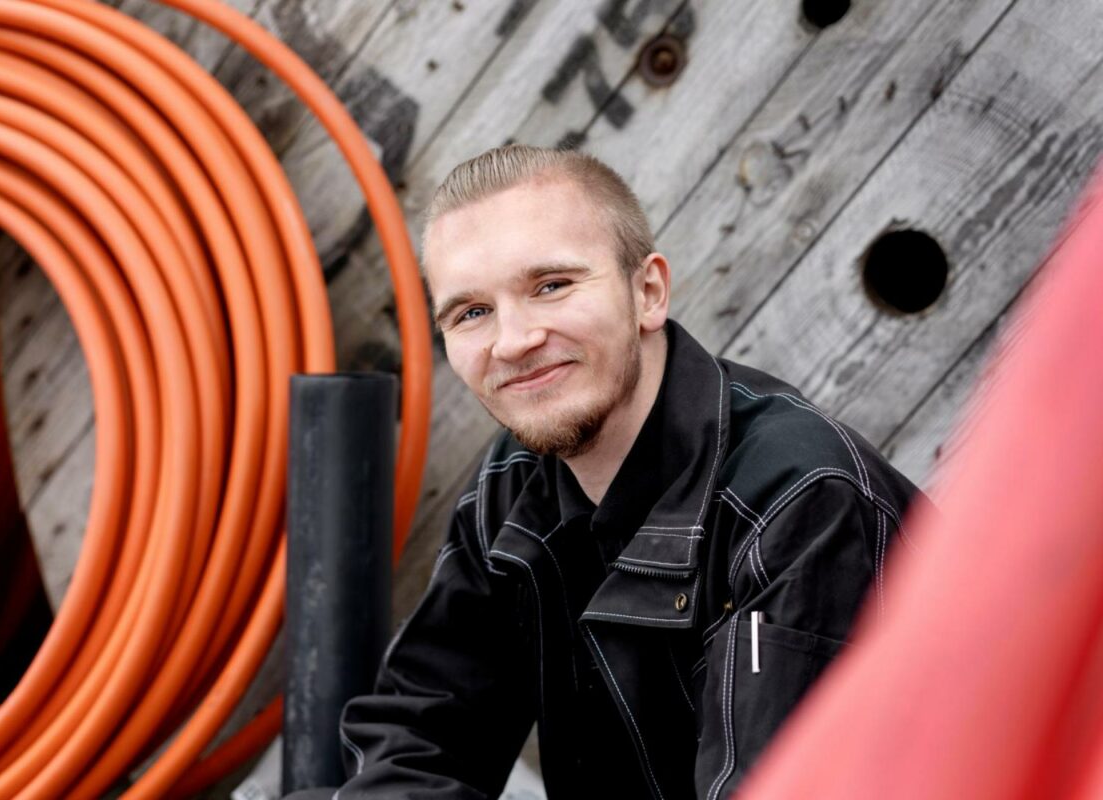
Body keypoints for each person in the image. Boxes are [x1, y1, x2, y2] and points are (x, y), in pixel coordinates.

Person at [291, 145, 923, 799]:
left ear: (647, 292)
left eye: (551, 286)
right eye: (472, 312)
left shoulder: (797, 504)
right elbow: (417, 738)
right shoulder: (515, 484)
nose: (513, 340)